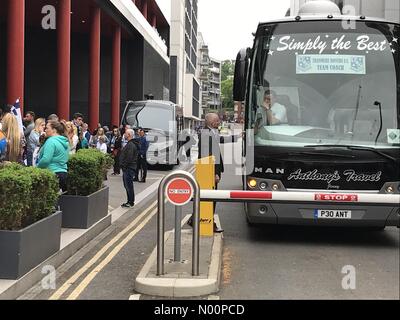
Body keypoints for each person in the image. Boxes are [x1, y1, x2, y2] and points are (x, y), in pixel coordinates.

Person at [37, 121, 70, 192]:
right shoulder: (65, 141)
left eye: (47, 128)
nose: (45, 130)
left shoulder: (51, 141)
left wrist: (36, 168)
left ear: (54, 130)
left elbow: (46, 160)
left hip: (51, 174)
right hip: (63, 173)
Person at [119, 129, 138, 208]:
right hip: (128, 168)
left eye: (126, 133)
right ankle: (129, 201)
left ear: (129, 135)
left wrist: (124, 166)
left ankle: (130, 202)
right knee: (127, 185)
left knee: (128, 185)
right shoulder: (130, 144)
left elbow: (129, 158)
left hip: (128, 168)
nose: (124, 134)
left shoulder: (131, 145)